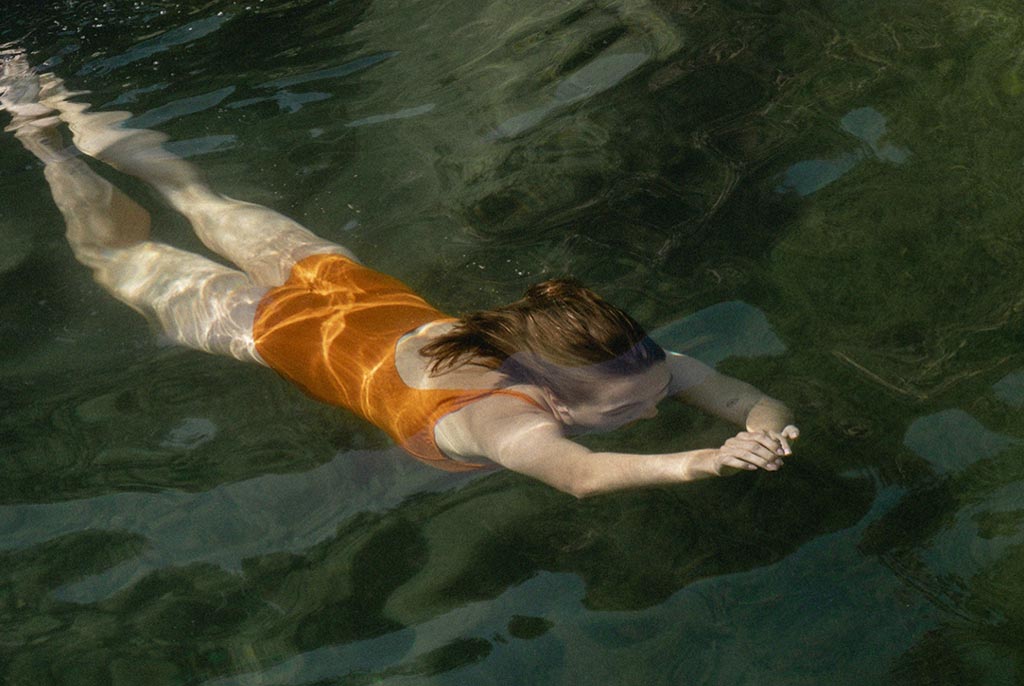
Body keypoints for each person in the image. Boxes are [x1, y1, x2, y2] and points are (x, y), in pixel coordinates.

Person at [1, 50, 799, 497]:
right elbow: (581, 475)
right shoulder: (498, 419)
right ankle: (45, 144)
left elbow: (736, 397)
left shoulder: (609, 363)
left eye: (653, 397)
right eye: (630, 411)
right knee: (119, 253)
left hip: (344, 287)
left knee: (193, 194)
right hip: (271, 327)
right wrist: (699, 461)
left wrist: (765, 431)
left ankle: (59, 99)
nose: (654, 409)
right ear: (543, 389)